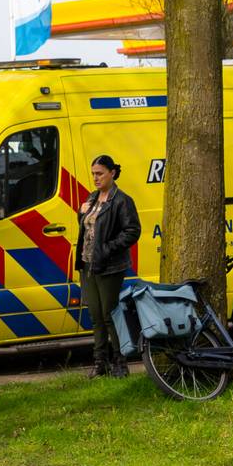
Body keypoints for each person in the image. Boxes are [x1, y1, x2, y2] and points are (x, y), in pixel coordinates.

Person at [75, 155, 142, 379]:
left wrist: (107, 248)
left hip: (110, 266)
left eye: (100, 173)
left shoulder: (122, 200)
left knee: (109, 314)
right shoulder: (93, 198)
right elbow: (89, 227)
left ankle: (120, 363)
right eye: (93, 173)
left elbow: (132, 231)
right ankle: (99, 363)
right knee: (95, 315)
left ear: (112, 173)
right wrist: (81, 213)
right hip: (88, 265)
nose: (95, 178)